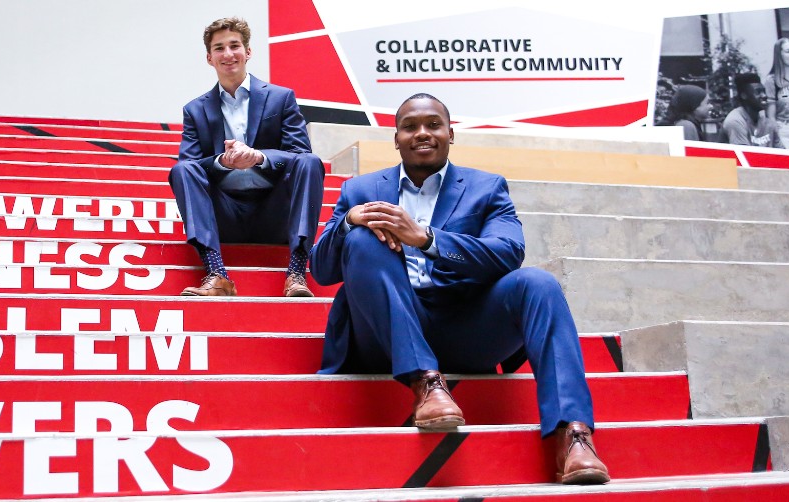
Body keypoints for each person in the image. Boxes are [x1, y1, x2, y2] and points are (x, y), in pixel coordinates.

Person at [309, 93, 611, 485]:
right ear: (395, 138)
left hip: (465, 326)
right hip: (384, 332)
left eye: (433, 125)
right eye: (410, 126)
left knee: (539, 283)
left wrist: (426, 238)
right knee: (362, 240)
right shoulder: (360, 190)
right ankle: (426, 384)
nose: (422, 133)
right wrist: (349, 221)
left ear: (451, 134)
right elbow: (322, 269)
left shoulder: (486, 188)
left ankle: (573, 436)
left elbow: (507, 252)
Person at [169, 17, 326, 297]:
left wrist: (258, 157)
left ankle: (297, 272)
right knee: (182, 170)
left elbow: (299, 152)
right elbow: (190, 163)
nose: (228, 54)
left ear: (248, 51)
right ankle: (217, 273)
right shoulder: (195, 110)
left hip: (274, 211)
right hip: (225, 214)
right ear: (209, 58)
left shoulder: (281, 98)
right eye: (219, 48)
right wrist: (221, 161)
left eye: (234, 45)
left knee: (309, 162)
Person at [722, 73, 780, 148]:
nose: (764, 96)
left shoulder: (767, 122)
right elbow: (743, 157)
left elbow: (784, 154)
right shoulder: (735, 121)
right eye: (758, 92)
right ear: (744, 96)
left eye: (764, 91)